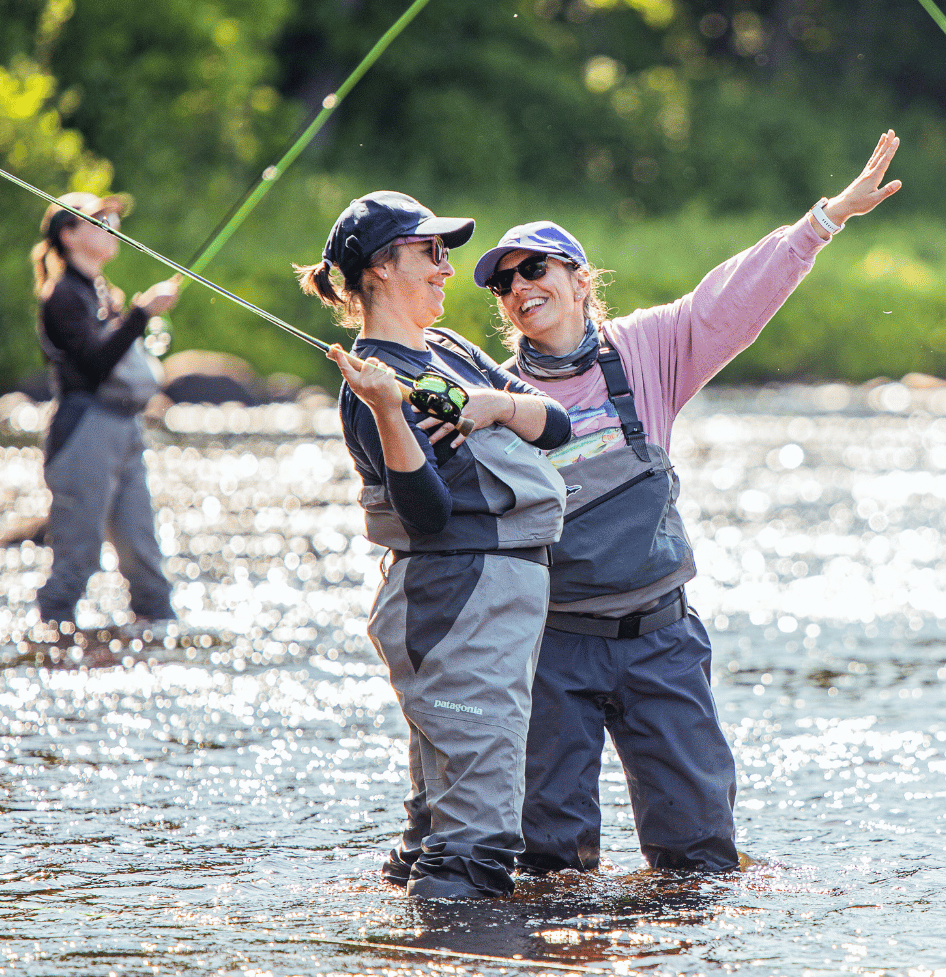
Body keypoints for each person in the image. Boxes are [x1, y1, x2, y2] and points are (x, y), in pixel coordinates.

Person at [477, 131, 903, 874]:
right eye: (503, 283)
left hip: (661, 642)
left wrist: (824, 221)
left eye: (533, 268)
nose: (519, 287)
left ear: (580, 279)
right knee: (549, 865)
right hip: (552, 650)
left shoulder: (649, 349)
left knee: (699, 856)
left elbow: (733, 295)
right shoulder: (493, 390)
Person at [300, 190, 574, 899]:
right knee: (473, 846)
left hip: (492, 600)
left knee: (436, 824)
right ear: (383, 267)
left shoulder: (450, 349)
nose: (447, 269)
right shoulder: (366, 385)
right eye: (432, 252)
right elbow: (424, 516)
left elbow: (558, 426)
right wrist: (391, 411)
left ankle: (406, 947)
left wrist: (499, 406)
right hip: (456, 602)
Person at [31, 191, 181, 659]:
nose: (111, 223)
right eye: (98, 219)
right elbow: (94, 367)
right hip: (84, 433)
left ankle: (160, 656)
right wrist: (141, 314)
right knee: (76, 561)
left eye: (112, 216)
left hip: (123, 430)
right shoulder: (62, 295)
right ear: (68, 234)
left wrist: (133, 313)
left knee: (145, 560)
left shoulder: (100, 291)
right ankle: (48, 654)